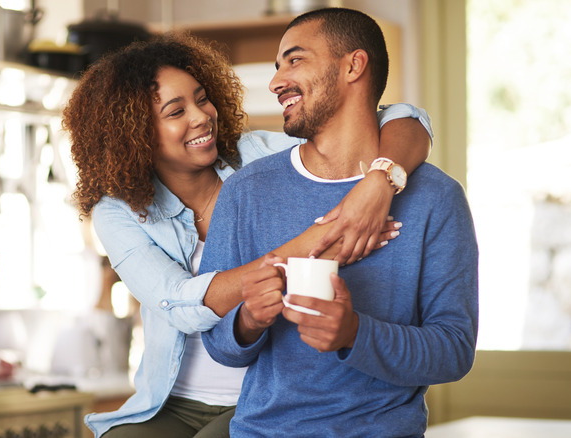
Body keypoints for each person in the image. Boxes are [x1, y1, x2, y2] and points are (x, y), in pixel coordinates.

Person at [62, 31, 433, 438]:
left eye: (202, 98)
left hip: (262, 397)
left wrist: (378, 183)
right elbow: (182, 304)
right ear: (134, 133)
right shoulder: (117, 212)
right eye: (175, 111)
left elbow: (405, 118)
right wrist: (323, 239)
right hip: (170, 402)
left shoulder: (257, 155)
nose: (201, 116)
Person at [199, 8, 478, 437]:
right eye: (277, 67)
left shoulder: (437, 198)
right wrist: (248, 320)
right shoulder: (246, 192)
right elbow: (219, 343)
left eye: (294, 60)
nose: (275, 82)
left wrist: (354, 332)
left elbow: (454, 352)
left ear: (353, 65)